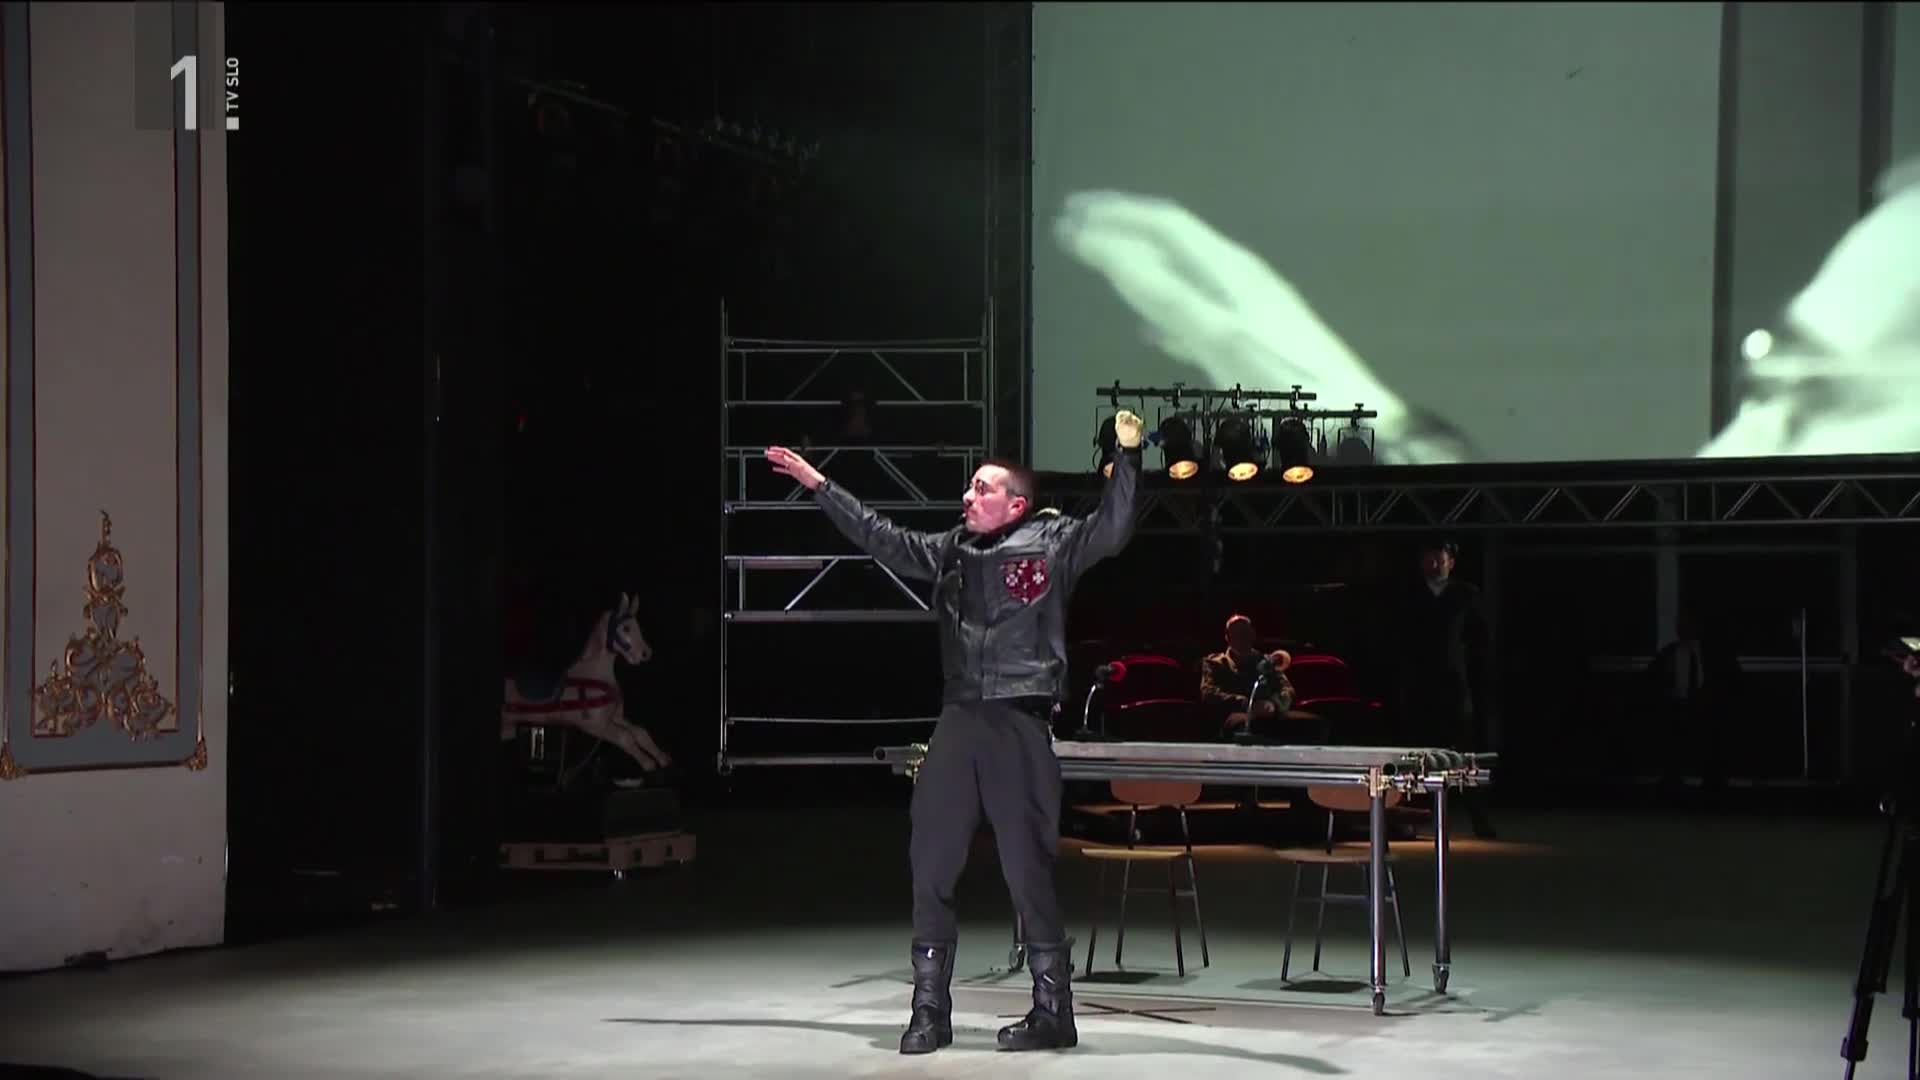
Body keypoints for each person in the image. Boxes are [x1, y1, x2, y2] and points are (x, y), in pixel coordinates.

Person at [764, 410, 1145, 1055]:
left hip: (1019, 718)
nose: (967, 496)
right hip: (960, 716)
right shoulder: (950, 550)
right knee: (931, 858)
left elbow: (1115, 525)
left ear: (1016, 503)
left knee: (1027, 867)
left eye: (981, 488)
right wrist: (819, 485)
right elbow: (880, 536)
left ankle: (1054, 1011)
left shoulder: (1054, 541)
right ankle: (929, 1010)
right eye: (969, 487)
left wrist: (1128, 456)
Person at [1399, 539, 1496, 837]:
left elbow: (1480, 638)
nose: (1434, 565)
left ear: (1450, 563)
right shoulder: (1409, 596)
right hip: (1419, 686)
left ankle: (1479, 818)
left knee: (1465, 753)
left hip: (1454, 685)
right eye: (1429, 560)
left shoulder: (1466, 594)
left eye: (1439, 560)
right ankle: (1410, 818)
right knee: (1415, 755)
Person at [1198, 614, 1295, 734]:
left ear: (1253, 635)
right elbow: (1208, 693)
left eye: (1245, 632)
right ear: (1227, 637)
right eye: (1236, 633)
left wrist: (1274, 704)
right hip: (1234, 717)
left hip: (1269, 715)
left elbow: (1287, 689)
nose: (1241, 637)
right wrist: (1246, 704)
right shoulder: (1214, 663)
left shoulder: (1266, 662)